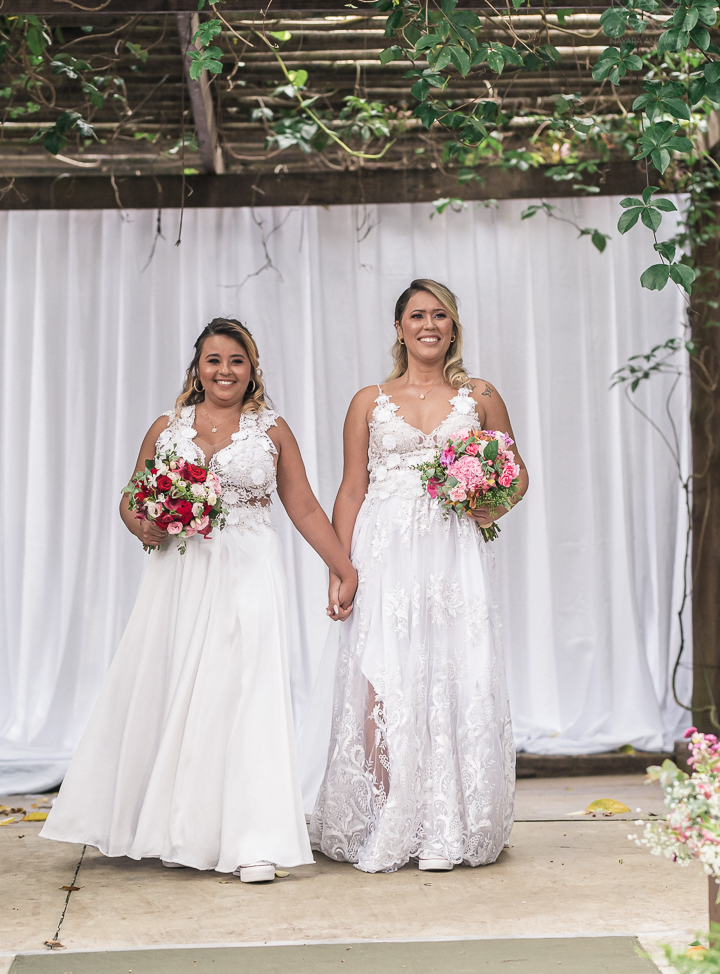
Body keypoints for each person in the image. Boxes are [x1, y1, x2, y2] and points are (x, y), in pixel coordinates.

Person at [41, 317, 357, 883]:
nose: (225, 371)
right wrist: (144, 526)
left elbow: (304, 506)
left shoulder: (273, 430)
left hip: (249, 569)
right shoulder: (168, 427)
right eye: (214, 360)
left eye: (236, 361)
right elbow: (133, 497)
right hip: (181, 574)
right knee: (177, 687)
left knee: (246, 690)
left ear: (251, 369)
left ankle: (253, 838)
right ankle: (172, 825)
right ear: (197, 369)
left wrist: (342, 566)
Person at [309, 279, 528, 874]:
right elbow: (352, 488)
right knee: (383, 680)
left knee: (454, 673)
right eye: (416, 315)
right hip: (384, 553)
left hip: (454, 553)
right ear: (399, 327)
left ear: (453, 326)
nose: (427, 325)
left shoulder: (479, 396)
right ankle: (386, 815)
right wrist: (341, 568)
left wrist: (492, 505)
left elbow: (515, 473)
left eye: (439, 315)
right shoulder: (369, 400)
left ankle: (446, 821)